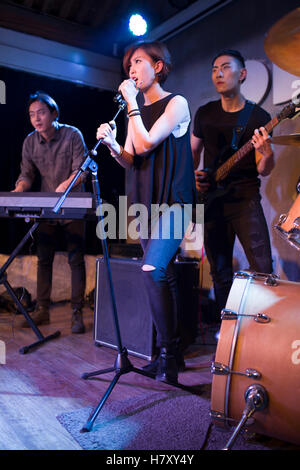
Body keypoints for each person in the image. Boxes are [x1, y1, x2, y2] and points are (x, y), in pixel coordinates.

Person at [96, 40, 196, 383]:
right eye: (128, 66)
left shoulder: (177, 103)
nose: (132, 70)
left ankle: (168, 355)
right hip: (143, 204)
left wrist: (132, 106)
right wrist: (111, 145)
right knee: (163, 276)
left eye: (138, 62)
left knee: (151, 269)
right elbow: (132, 156)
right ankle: (173, 354)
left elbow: (150, 141)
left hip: (174, 203)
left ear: (158, 67)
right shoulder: (133, 111)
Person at [191, 49, 274, 318]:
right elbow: (191, 156)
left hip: (246, 199)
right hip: (212, 201)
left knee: (262, 267)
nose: (218, 73)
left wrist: (268, 153)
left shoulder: (258, 117)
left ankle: (263, 331)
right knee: (220, 272)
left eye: (226, 67)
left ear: (243, 74)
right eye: (214, 69)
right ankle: (227, 332)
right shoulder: (204, 113)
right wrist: (192, 177)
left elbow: (263, 168)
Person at [13, 91, 87, 334]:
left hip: (73, 203)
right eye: (32, 114)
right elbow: (27, 174)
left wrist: (65, 186)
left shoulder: (72, 134)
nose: (37, 118)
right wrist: (19, 189)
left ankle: (77, 313)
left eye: (41, 112)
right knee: (43, 258)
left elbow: (82, 169)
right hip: (47, 206)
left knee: (75, 259)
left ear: (54, 113)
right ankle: (42, 309)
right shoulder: (29, 141)